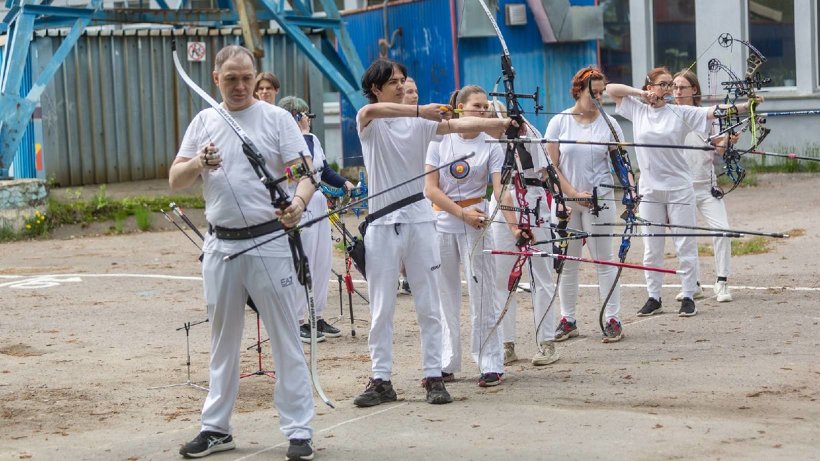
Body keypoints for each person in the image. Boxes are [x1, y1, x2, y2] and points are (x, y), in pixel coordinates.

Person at [169, 45, 316, 461]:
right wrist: (199, 161)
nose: (239, 86)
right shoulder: (204, 122)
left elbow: (304, 174)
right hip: (219, 243)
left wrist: (298, 205)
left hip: (269, 240)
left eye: (246, 77)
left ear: (256, 77)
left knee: (286, 335)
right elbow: (175, 179)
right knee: (223, 341)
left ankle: (299, 429)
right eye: (230, 78)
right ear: (216, 78)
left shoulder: (277, 118)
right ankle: (216, 427)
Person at [352, 58, 514, 407]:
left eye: (403, 80)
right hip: (381, 224)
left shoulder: (423, 125)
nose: (400, 86)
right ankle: (381, 378)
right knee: (381, 307)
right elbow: (371, 113)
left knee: (429, 304)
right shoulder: (370, 121)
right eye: (393, 82)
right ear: (376, 90)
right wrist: (420, 111)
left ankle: (433, 376)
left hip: (421, 223)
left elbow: (459, 125)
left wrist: (499, 122)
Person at [606, 67, 760, 317]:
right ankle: (654, 297)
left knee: (684, 243)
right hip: (650, 190)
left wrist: (746, 106)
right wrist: (641, 94)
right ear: (650, 87)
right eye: (663, 84)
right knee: (651, 246)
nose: (668, 90)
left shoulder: (680, 111)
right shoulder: (638, 109)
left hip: (679, 188)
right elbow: (610, 89)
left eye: (670, 85)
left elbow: (714, 111)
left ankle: (688, 295)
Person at [424, 85, 515, 387]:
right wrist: (461, 214)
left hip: (477, 223)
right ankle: (446, 362)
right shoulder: (440, 139)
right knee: (444, 296)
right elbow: (431, 188)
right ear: (460, 108)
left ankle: (490, 361)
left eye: (486, 107)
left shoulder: (491, 144)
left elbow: (498, 186)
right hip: (444, 221)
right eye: (477, 107)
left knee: (483, 292)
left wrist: (510, 215)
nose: (484, 112)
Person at [546, 66, 625, 342]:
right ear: (578, 90)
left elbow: (620, 164)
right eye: (594, 92)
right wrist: (570, 193)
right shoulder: (559, 122)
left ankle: (612, 317)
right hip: (567, 203)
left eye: (602, 92)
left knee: (604, 260)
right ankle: (568, 319)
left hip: (599, 201)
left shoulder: (610, 123)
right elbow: (551, 166)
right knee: (568, 262)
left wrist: (630, 193)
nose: (599, 97)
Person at [487, 101, 564, 367]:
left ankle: (546, 341)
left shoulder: (528, 132)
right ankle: (506, 344)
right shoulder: (484, 138)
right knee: (502, 277)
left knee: (540, 273)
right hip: (501, 206)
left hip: (532, 201)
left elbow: (545, 171)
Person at [278, 96, 355, 342]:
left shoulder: (312, 139)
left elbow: (323, 171)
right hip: (299, 204)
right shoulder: (289, 142)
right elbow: (302, 170)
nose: (308, 121)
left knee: (322, 261)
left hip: (319, 203)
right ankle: (299, 319)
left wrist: (343, 182)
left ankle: (316, 315)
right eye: (304, 116)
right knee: (304, 261)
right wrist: (300, 132)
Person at [672, 70, 735, 302]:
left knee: (723, 230)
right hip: (680, 187)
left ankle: (721, 282)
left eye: (682, 87)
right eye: (674, 88)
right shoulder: (667, 114)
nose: (677, 91)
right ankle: (693, 285)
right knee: (683, 237)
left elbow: (718, 150)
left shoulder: (708, 116)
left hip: (706, 187)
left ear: (694, 90)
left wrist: (727, 140)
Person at [396, 76, 420, 296]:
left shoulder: (423, 121)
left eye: (415, 91)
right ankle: (402, 276)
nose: (413, 96)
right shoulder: (388, 124)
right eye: (408, 92)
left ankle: (411, 276)